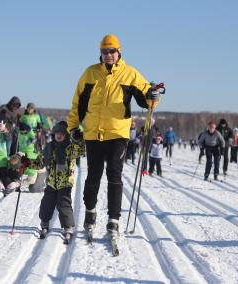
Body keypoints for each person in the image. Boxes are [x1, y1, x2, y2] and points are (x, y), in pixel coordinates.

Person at [67, 34, 160, 236]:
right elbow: (77, 104)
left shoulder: (130, 74)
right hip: (93, 134)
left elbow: (147, 98)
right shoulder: (90, 73)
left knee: (114, 176)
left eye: (111, 51)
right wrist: (73, 128)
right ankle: (90, 213)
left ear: (119, 52)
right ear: (100, 53)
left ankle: (113, 219)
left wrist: (152, 96)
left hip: (118, 133)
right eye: (104, 51)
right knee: (93, 176)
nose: (108, 55)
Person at [22, 121, 85, 238]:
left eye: (62, 133)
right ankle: (44, 223)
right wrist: (27, 163)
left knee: (64, 204)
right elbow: (40, 162)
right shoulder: (49, 147)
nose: (59, 135)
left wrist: (78, 140)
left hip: (65, 183)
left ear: (66, 135)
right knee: (47, 203)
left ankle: (68, 227)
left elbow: (80, 150)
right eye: (57, 133)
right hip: (51, 182)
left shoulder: (69, 147)